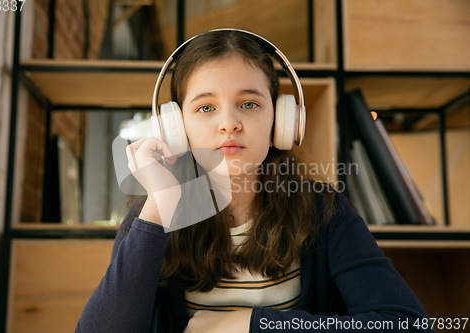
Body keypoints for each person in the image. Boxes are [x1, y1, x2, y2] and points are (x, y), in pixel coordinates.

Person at [76, 30, 434, 333]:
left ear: (282, 120)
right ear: (176, 127)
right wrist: (159, 209)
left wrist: (250, 323)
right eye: (205, 107)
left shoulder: (324, 211)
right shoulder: (152, 216)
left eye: (249, 104)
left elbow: (407, 324)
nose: (229, 122)